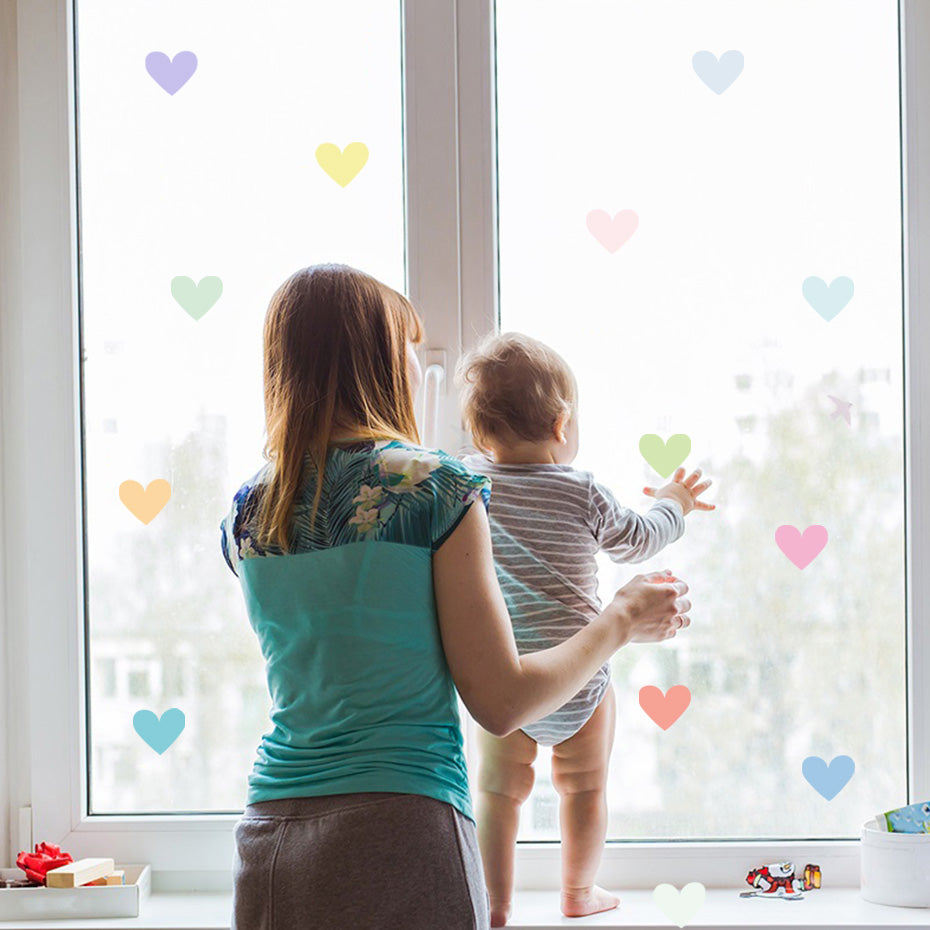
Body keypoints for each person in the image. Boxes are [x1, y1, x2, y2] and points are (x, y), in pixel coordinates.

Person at [220, 264, 692, 930]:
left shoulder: (246, 512)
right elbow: (503, 704)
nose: (419, 366)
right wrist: (621, 618)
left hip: (271, 835)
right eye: (410, 348)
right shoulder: (432, 488)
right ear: (380, 362)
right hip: (403, 826)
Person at [458, 332, 714, 926]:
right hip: (579, 681)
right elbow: (640, 540)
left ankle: (495, 906)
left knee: (497, 795)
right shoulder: (583, 492)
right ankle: (578, 892)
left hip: (506, 677)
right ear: (560, 423)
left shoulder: (472, 487)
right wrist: (674, 501)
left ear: (478, 434)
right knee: (584, 789)